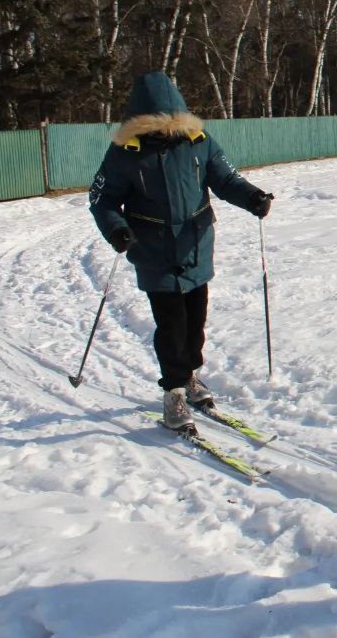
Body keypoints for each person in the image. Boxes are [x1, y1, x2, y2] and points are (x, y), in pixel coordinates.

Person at [89, 71, 273, 431]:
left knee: (195, 324)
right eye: (154, 124)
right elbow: (102, 199)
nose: (164, 131)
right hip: (154, 252)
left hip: (196, 245)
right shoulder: (125, 153)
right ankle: (173, 391)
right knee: (171, 326)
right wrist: (117, 229)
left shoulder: (197, 141)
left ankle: (189, 376)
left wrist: (252, 196)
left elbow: (224, 178)